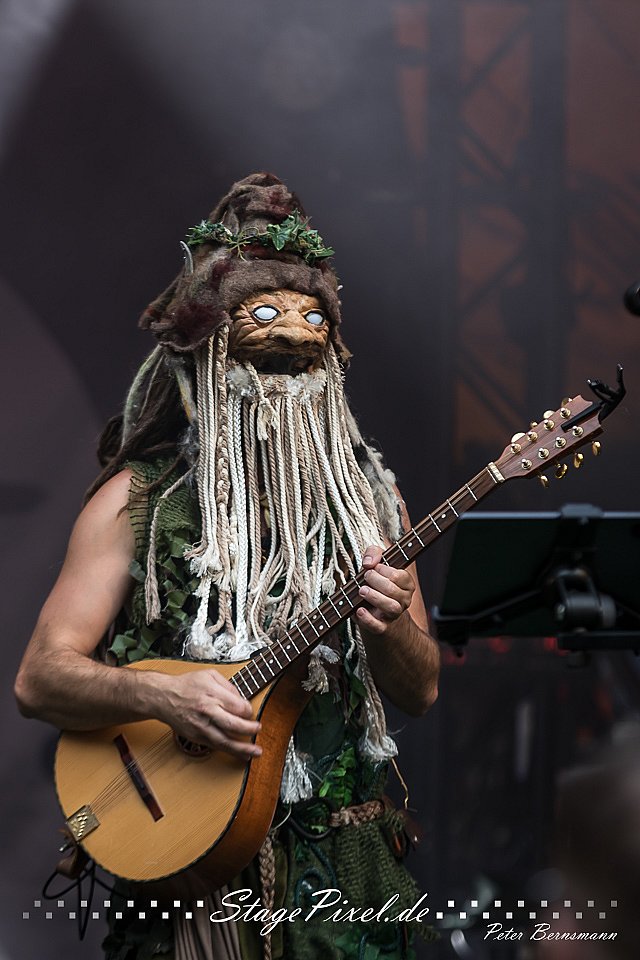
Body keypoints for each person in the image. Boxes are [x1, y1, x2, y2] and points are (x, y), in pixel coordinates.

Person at [15, 173, 440, 960]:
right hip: (191, 879)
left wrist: (390, 625)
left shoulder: (374, 503)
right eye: (264, 320)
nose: (293, 344)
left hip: (343, 879)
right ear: (209, 350)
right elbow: (39, 679)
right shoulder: (135, 502)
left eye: (314, 324)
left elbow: (420, 689)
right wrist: (160, 695)